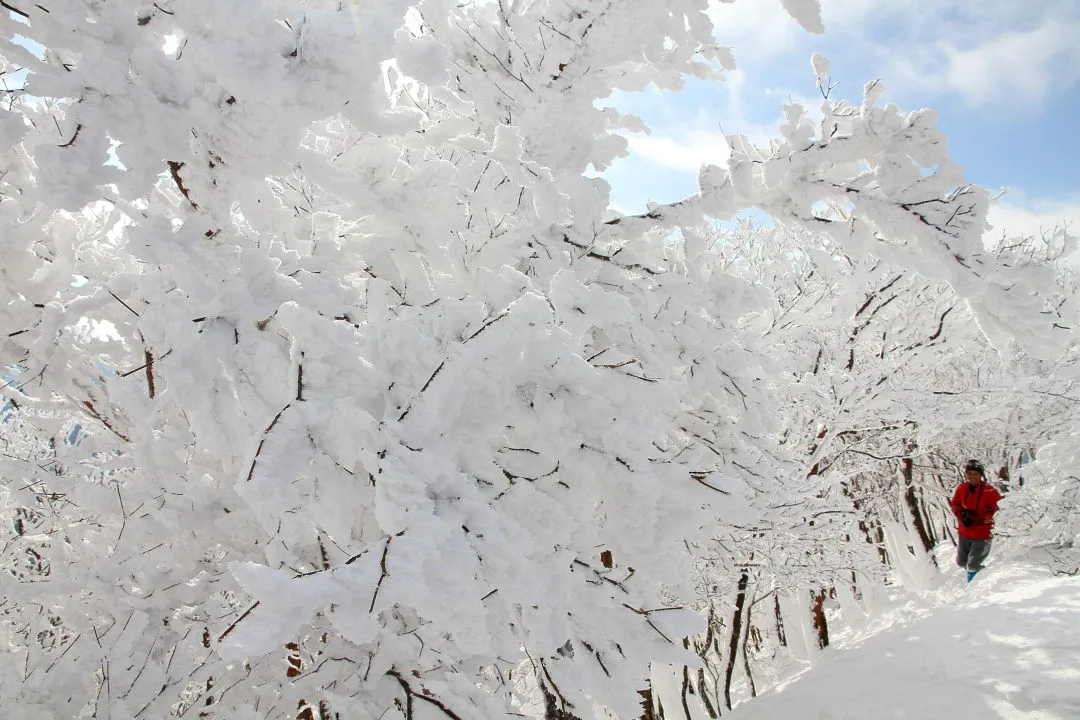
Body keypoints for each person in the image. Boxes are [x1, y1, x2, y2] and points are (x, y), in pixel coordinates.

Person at [950, 459, 1002, 582]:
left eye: (975, 474)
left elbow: (998, 509)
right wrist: (962, 516)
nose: (972, 477)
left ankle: (977, 585)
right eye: (970, 473)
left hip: (981, 533)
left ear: (981, 475)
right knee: (961, 562)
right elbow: (955, 505)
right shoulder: (962, 488)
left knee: (973, 565)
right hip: (965, 531)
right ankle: (975, 579)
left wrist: (982, 518)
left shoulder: (989, 491)